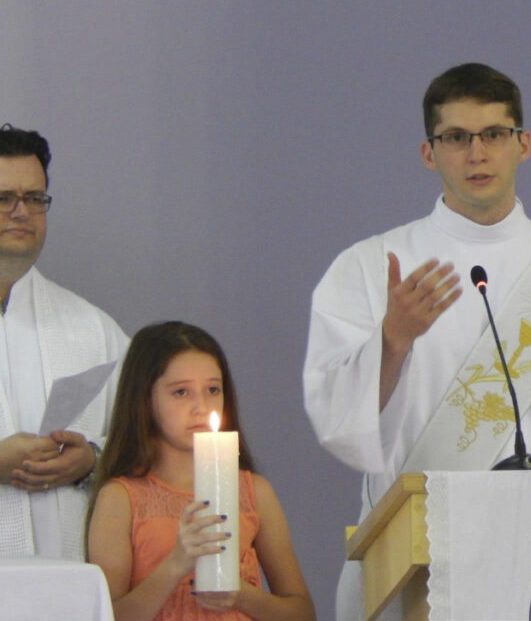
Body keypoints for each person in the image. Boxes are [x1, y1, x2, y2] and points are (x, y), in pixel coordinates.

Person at [303, 62, 531, 620]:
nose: (476, 153)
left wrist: (527, 520)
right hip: (409, 560)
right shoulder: (369, 267)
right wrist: (392, 342)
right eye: (456, 137)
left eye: (494, 134)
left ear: (523, 145)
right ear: (428, 154)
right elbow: (335, 419)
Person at [87, 322, 314, 621]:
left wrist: (242, 595)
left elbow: (302, 613)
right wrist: (175, 565)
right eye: (181, 392)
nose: (202, 407)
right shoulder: (120, 498)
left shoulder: (254, 492)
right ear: (144, 399)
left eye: (213, 390)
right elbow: (105, 615)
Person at [0, 124, 128, 560]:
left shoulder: (92, 328)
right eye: (4, 198)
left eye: (35, 198)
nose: (21, 212)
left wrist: (91, 460)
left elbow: (145, 436)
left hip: (70, 576)